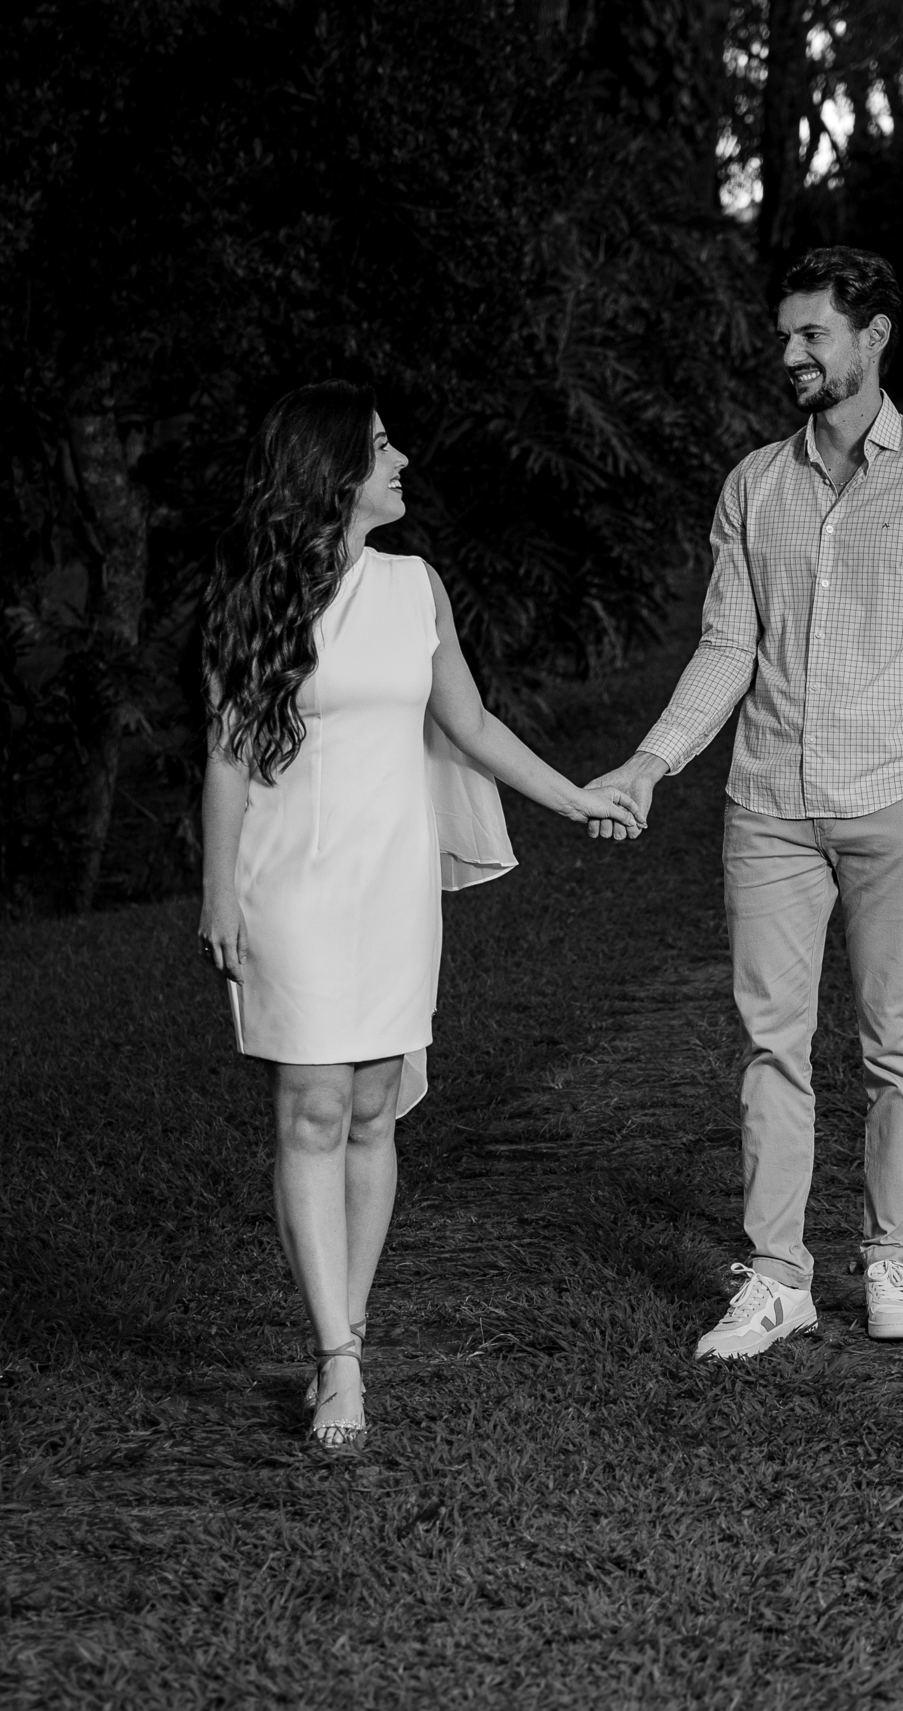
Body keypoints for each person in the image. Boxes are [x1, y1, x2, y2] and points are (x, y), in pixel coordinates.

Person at [588, 247, 903, 1358]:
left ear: (873, 337)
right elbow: (727, 646)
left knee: (898, 1044)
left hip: (894, 800)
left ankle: (890, 1258)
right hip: (770, 805)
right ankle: (778, 1277)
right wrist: (650, 762)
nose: (789, 354)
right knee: (770, 1046)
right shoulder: (754, 485)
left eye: (812, 334)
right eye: (785, 334)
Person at [199, 380, 642, 1447]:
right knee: (311, 1109)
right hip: (291, 882)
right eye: (383, 447)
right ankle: (337, 1359)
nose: (402, 463)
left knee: (371, 1110)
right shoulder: (256, 591)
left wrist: (576, 799)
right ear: (333, 471)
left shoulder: (415, 586)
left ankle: (346, 1329)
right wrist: (217, 893)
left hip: (392, 885)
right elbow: (225, 756)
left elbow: (473, 725)